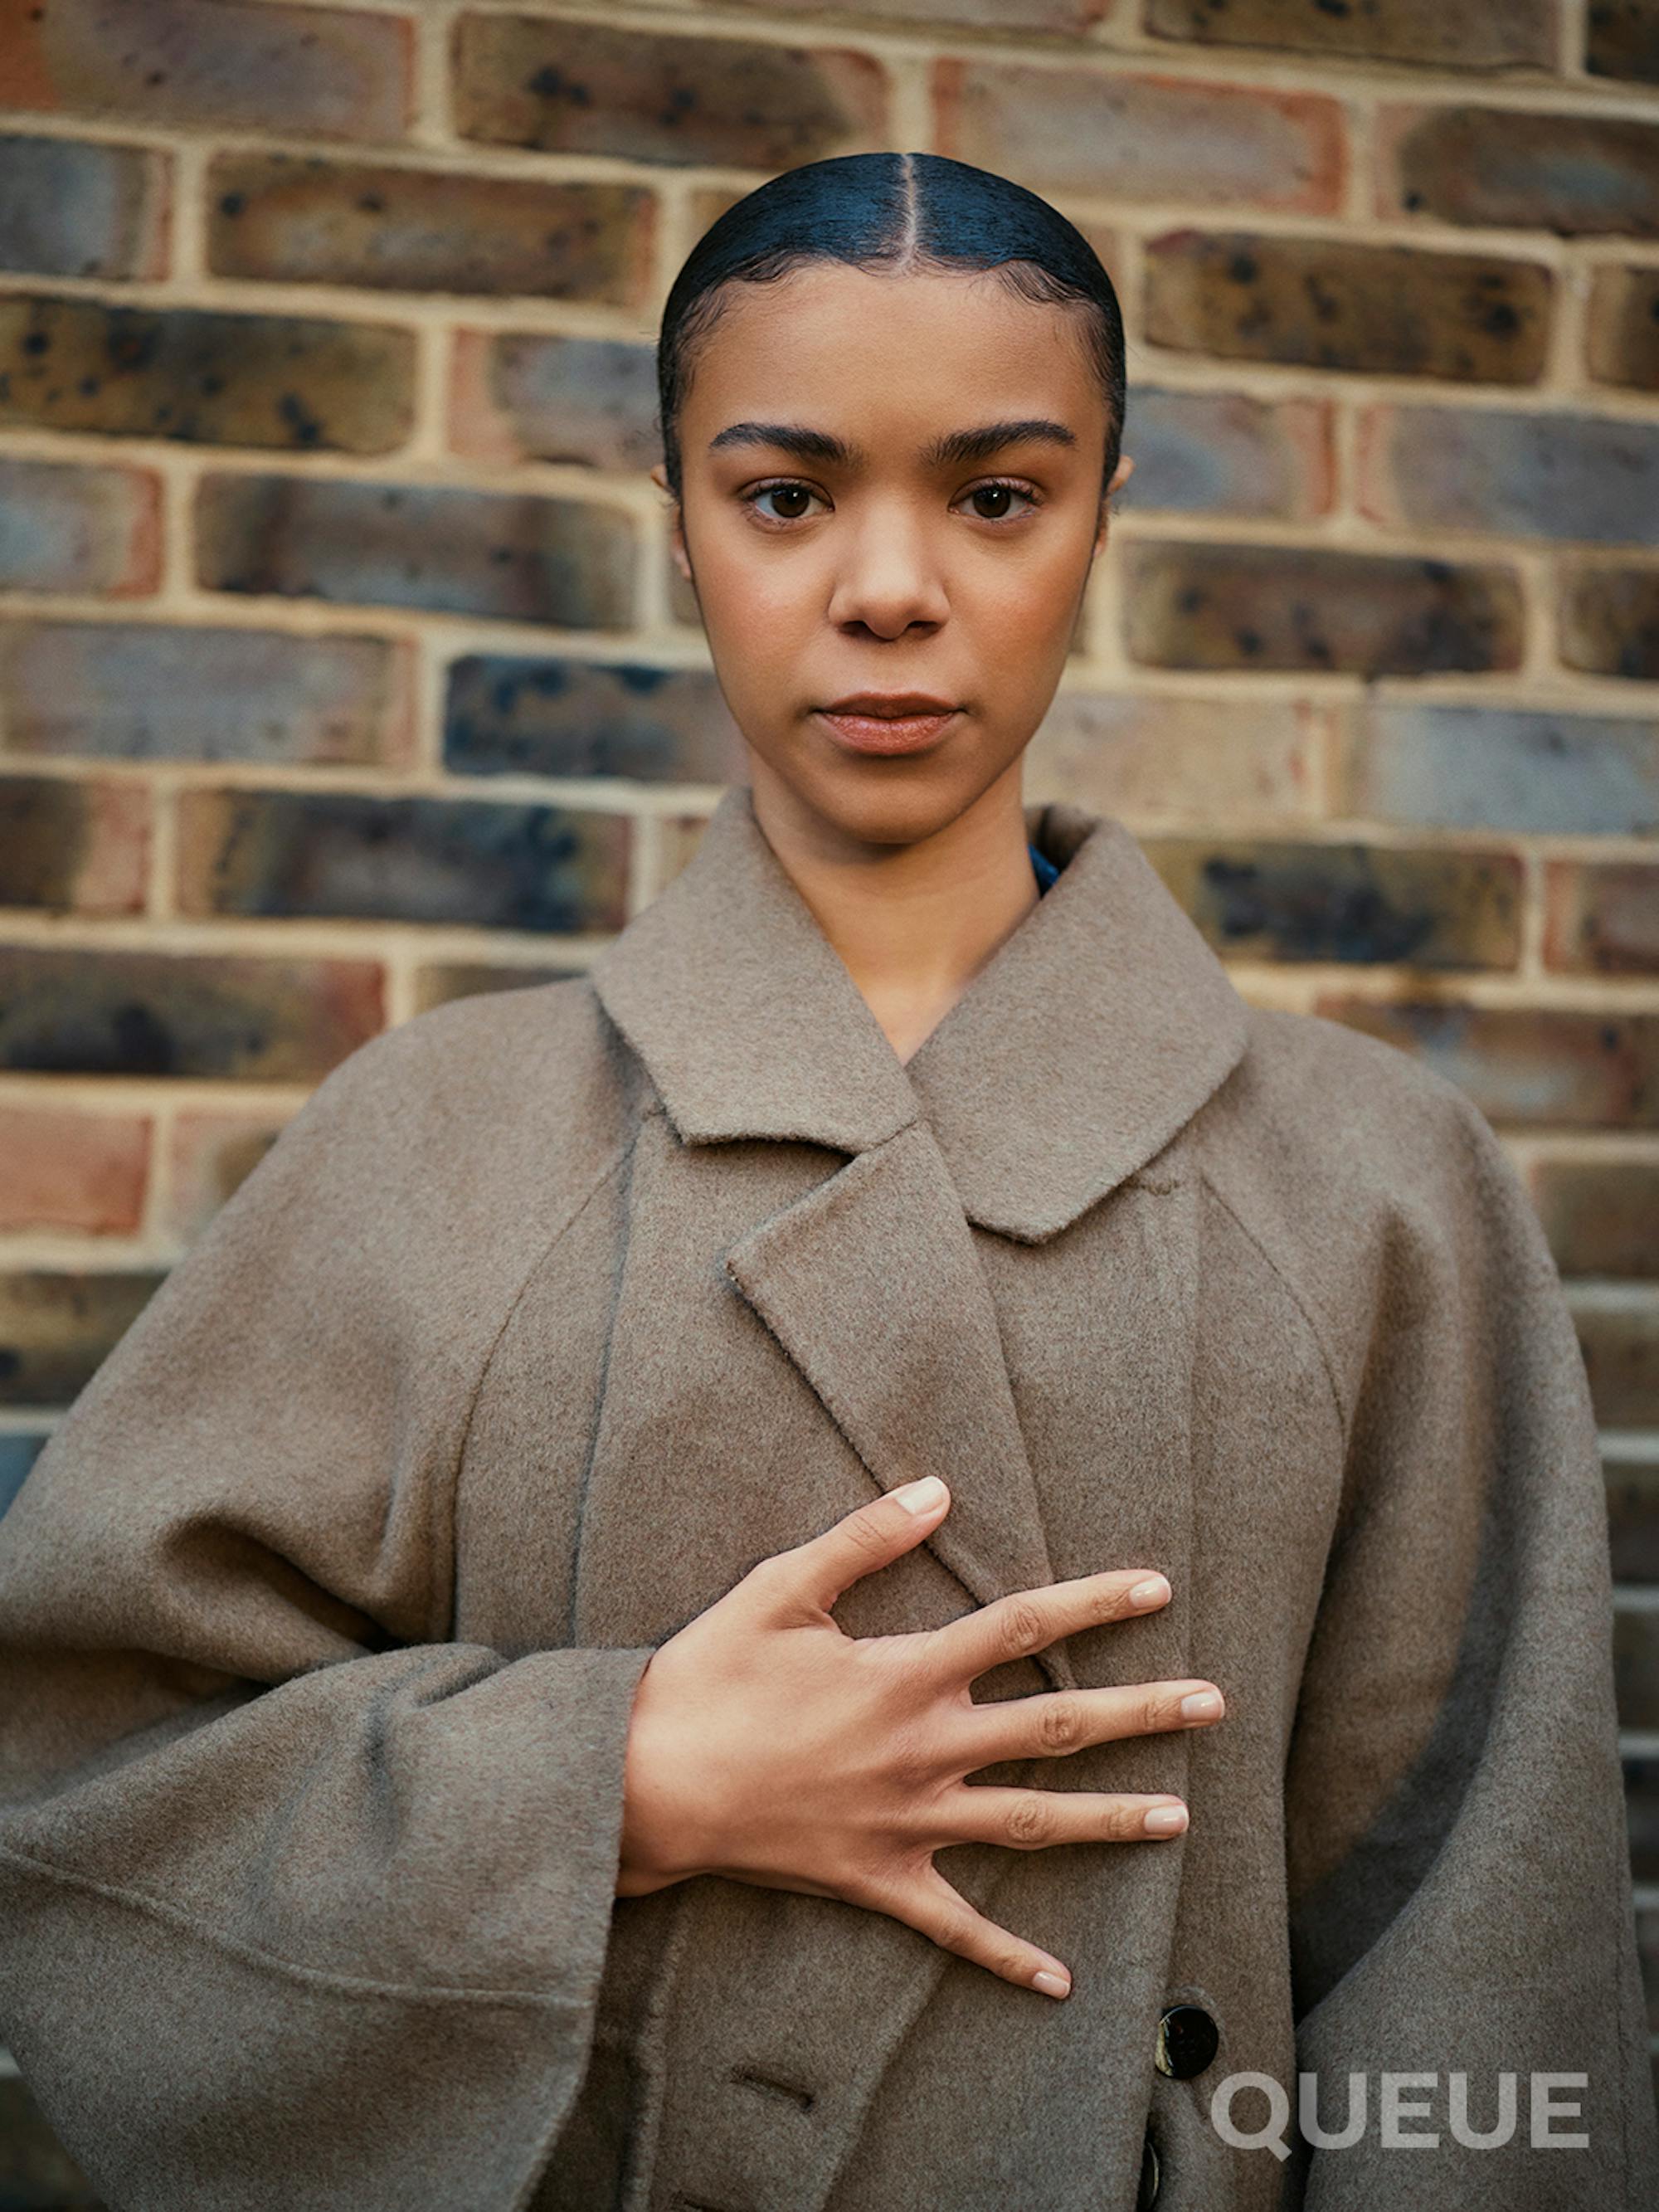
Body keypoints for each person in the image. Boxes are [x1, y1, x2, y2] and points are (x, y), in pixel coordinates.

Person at [0, 149, 1653, 2212]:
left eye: (993, 493)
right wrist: (614, 1783)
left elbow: (1481, 1954)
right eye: (785, 494)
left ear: (1104, 516)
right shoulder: (431, 1135)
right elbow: (73, 1780)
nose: (888, 584)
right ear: (680, 527)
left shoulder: (1379, 1184)